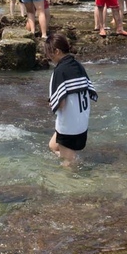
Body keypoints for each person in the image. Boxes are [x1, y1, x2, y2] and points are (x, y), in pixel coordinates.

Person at [46, 34, 97, 166]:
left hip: (69, 126)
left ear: (57, 51)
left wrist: (52, 102)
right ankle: (75, 160)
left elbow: (61, 104)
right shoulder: (78, 66)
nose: (48, 57)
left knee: (68, 163)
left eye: (49, 53)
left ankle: (77, 168)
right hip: (82, 122)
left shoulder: (60, 71)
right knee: (53, 146)